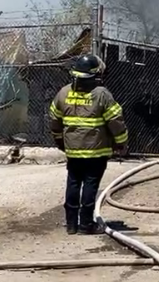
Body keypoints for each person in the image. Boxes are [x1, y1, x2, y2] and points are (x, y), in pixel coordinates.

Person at [48, 52, 128, 235]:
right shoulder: (101, 94)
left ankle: (71, 224)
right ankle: (86, 224)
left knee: (73, 183)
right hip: (96, 151)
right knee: (90, 186)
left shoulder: (63, 92)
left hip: (73, 150)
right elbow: (116, 121)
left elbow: (54, 119)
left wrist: (59, 140)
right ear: (95, 74)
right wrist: (121, 143)